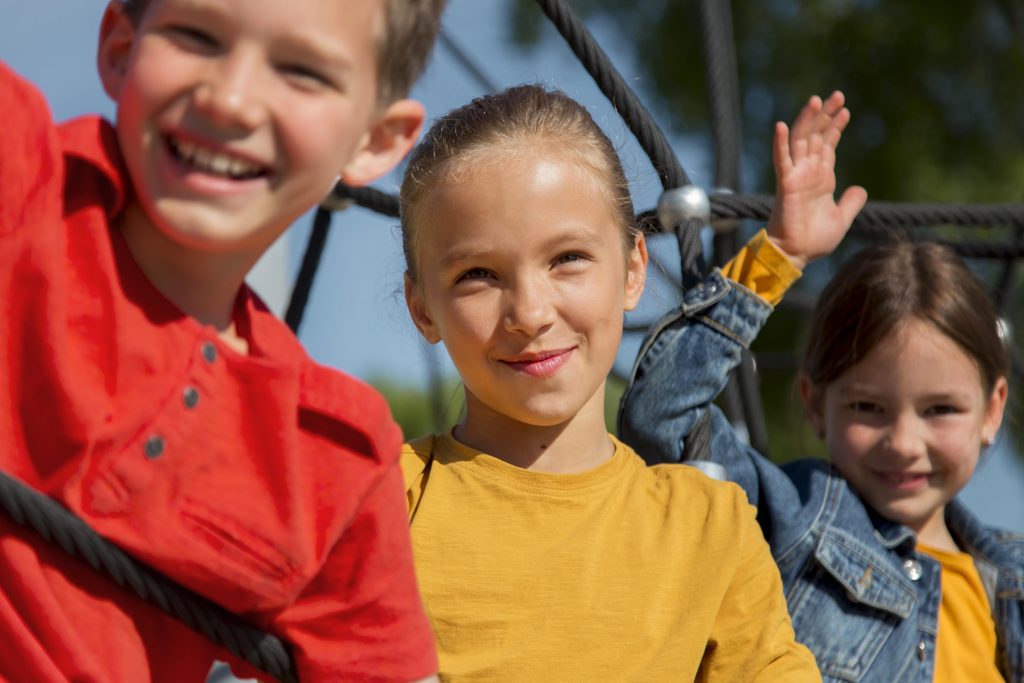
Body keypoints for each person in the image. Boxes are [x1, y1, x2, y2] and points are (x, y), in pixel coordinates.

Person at [0, 0, 447, 680]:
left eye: (302, 72)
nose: (231, 99)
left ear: (375, 140)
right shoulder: (23, 182)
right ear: (120, 48)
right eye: (194, 36)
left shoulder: (337, 454)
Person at [396, 83, 864, 680]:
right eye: (478, 274)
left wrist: (780, 254)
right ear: (424, 308)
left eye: (567, 258)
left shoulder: (707, 527)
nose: (531, 313)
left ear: (634, 269)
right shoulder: (390, 501)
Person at [619, 142, 1021, 681]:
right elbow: (660, 415)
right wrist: (780, 253)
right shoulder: (798, 517)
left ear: (991, 411)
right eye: (867, 407)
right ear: (815, 404)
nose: (903, 441)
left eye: (940, 409)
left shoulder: (1010, 584)